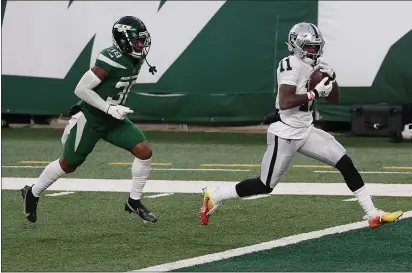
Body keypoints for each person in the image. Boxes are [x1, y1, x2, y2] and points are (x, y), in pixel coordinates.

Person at [200, 22, 403, 229]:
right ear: (296, 45)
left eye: (316, 47)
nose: (313, 51)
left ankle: (371, 213)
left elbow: (334, 99)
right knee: (265, 185)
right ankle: (216, 194)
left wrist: (332, 79)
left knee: (344, 162)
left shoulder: (318, 65)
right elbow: (286, 101)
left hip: (306, 130)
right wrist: (314, 93)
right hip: (285, 132)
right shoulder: (290, 64)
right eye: (309, 47)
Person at [21, 16, 158, 224]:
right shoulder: (110, 59)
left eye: (142, 40)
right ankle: (33, 191)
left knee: (144, 151)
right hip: (92, 119)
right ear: (123, 40)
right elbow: (80, 89)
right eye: (137, 41)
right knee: (68, 164)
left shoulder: (135, 58)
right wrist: (108, 108)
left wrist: (112, 110)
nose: (141, 45)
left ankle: (134, 201)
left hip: (113, 119)